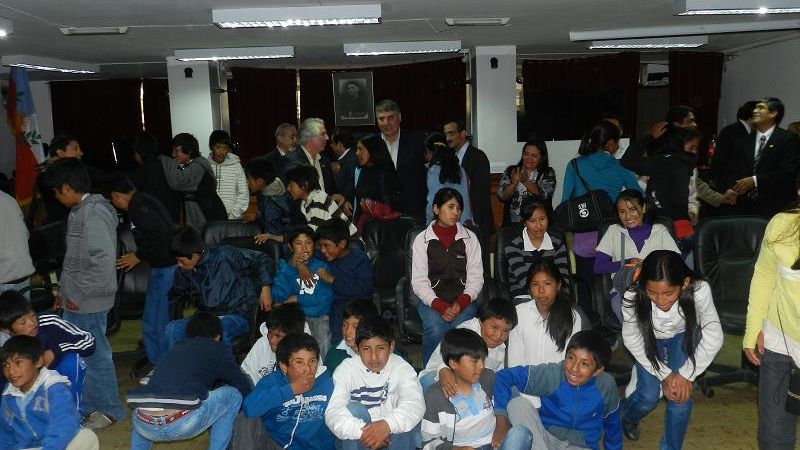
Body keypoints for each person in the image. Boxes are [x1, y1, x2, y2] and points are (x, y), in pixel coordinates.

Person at [39, 157, 125, 428]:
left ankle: (109, 409)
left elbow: (102, 261)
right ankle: (88, 406)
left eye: (55, 192)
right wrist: (64, 292)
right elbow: (74, 260)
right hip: (76, 298)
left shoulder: (94, 213)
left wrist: (79, 295)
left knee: (95, 354)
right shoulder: (80, 211)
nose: (56, 197)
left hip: (88, 301)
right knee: (79, 353)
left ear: (66, 188)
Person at [621, 250, 723, 449]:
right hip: (647, 339)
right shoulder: (633, 297)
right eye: (652, 292)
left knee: (680, 396)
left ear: (684, 283)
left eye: (668, 293)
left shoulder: (699, 290)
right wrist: (665, 375)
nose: (660, 300)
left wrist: (686, 375)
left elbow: (714, 336)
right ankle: (625, 415)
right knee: (648, 397)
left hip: (681, 335)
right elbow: (632, 339)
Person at [127, 312, 251, 450]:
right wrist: (251, 409)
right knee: (233, 394)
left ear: (187, 335)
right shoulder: (217, 349)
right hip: (181, 424)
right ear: (218, 337)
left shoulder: (174, 349)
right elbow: (241, 384)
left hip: (144, 426)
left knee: (145, 405)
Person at [561, 120, 641, 325]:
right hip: (614, 235)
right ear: (611, 144)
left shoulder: (575, 165)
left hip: (584, 238)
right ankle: (614, 328)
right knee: (615, 285)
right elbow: (637, 197)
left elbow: (565, 202)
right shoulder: (620, 168)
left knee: (586, 287)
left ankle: (590, 330)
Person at [492, 330, 622, 450]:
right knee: (517, 405)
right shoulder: (553, 374)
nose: (574, 369)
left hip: (580, 446)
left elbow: (613, 425)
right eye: (571, 358)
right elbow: (504, 376)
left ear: (598, 370)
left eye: (584, 364)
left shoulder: (606, 386)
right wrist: (501, 422)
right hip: (545, 439)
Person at [743, 197, 800, 450]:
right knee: (773, 437)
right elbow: (764, 275)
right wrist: (753, 328)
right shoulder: (782, 225)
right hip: (780, 340)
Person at [109, 174, 177, 367]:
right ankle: (158, 363)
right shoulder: (142, 201)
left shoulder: (138, 206)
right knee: (150, 321)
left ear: (117, 196)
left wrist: (137, 256)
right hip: (160, 268)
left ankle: (165, 366)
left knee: (159, 322)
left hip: (166, 269)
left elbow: (160, 233)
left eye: (113, 200)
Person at [325, 317, 424, 450]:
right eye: (366, 349)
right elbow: (333, 413)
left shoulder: (401, 367)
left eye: (380, 348)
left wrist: (386, 425)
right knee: (354, 409)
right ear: (358, 349)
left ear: (391, 346)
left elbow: (415, 403)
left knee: (406, 420)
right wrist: (366, 433)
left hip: (393, 436)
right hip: (360, 437)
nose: (374, 357)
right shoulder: (346, 369)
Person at [166, 227, 274, 348]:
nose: (179, 265)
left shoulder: (225, 255)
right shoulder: (184, 271)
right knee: (173, 329)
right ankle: (180, 366)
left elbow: (263, 259)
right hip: (205, 318)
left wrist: (266, 288)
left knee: (216, 330)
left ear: (195, 254)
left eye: (181, 260)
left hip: (237, 315)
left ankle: (223, 366)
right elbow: (174, 298)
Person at [412, 188, 484, 365]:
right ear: (436, 209)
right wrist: (441, 306)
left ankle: (460, 372)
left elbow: (476, 278)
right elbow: (419, 282)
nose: (456, 213)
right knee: (436, 328)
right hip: (432, 301)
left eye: (458, 208)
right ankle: (429, 374)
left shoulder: (469, 238)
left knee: (460, 330)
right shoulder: (422, 240)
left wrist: (460, 303)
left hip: (463, 301)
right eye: (450, 207)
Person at [506, 259, 584, 409]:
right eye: (535, 284)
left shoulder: (572, 317)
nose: (541, 291)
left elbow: (571, 360)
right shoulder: (519, 313)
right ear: (529, 288)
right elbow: (514, 359)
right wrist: (522, 389)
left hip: (558, 389)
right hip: (525, 388)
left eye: (547, 284)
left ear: (558, 285)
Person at [594, 189, 680, 326]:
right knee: (635, 330)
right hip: (624, 292)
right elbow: (598, 266)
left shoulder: (660, 231)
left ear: (644, 207)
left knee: (665, 327)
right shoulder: (614, 231)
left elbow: (676, 262)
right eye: (622, 211)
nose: (628, 216)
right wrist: (627, 262)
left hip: (659, 291)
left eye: (633, 209)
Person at [0, 335, 99, 450]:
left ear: (38, 361)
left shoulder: (54, 388)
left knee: (85, 437)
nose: (11, 371)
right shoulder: (8, 395)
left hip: (55, 445)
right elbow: (5, 434)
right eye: (6, 365)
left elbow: (65, 427)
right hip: (27, 448)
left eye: (18, 363)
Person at [0, 290, 95, 406]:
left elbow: (89, 341)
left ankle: (72, 411)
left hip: (57, 374)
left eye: (32, 315)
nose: (32, 323)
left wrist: (55, 351)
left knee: (71, 360)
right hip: (26, 386)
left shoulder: (49, 322)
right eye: (22, 322)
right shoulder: (6, 344)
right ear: (7, 330)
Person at [243, 332, 335, 450]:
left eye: (312, 361)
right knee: (244, 419)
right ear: (284, 366)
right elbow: (249, 408)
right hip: (275, 445)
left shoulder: (327, 383)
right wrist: (290, 390)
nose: (308, 369)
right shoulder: (272, 382)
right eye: (299, 362)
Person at [421, 328, 505, 450]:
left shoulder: (488, 378)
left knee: (521, 434)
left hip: (495, 444)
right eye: (474, 361)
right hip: (463, 447)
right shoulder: (435, 395)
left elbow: (505, 401)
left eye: (482, 359)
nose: (481, 366)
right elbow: (429, 440)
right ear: (453, 364)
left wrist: (502, 427)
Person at [418, 297, 517, 392]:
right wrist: (443, 370)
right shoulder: (465, 332)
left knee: (509, 389)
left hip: (473, 385)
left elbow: (496, 376)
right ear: (480, 321)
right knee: (431, 382)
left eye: (506, 331)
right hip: (441, 374)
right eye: (494, 327)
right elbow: (444, 361)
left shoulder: (500, 346)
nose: (499, 335)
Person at [727, 97, 800, 218]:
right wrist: (730, 188)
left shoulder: (788, 139)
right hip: (744, 207)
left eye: (761, 108)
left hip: (775, 206)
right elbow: (733, 169)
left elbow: (788, 173)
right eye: (755, 108)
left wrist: (755, 181)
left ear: (773, 113)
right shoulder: (742, 141)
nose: (755, 111)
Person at [272, 225, 334, 358]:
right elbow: (279, 296)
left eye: (309, 243)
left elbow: (323, 301)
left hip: (316, 317)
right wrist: (291, 269)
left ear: (314, 246)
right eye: (299, 243)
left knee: (323, 334)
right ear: (290, 246)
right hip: (293, 317)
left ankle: (325, 372)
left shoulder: (321, 267)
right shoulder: (285, 267)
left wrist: (297, 299)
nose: (304, 248)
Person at [315, 218, 373, 345]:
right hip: (324, 303)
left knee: (339, 330)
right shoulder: (319, 256)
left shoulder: (359, 259)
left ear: (342, 244)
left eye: (326, 245)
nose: (323, 250)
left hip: (351, 305)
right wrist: (302, 267)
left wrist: (333, 280)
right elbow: (299, 257)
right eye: (320, 245)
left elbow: (364, 289)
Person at [504, 196, 569, 298]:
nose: (538, 225)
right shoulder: (513, 243)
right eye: (532, 221)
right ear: (525, 222)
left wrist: (559, 298)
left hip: (554, 296)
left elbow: (563, 276)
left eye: (542, 219)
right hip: (524, 296)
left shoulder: (557, 241)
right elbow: (524, 281)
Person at [160, 133, 227, 231]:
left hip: (210, 218)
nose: (173, 155)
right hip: (205, 218)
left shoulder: (198, 166)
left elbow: (176, 182)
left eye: (176, 151)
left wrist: (164, 159)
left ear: (189, 151)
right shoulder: (191, 166)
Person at [375, 99, 428, 222]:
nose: (386, 122)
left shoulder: (418, 141)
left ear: (399, 117)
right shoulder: (370, 145)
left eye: (390, 117)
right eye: (381, 119)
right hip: (382, 217)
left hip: (415, 214)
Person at [445, 119, 496, 241]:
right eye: (446, 134)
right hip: (457, 223)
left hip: (476, 224)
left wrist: (474, 222)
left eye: (451, 133)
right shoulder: (450, 159)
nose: (448, 138)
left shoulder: (478, 157)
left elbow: (481, 193)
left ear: (463, 134)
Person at [241, 303, 307, 385]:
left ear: (293, 337)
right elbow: (247, 376)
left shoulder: (308, 353)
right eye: (270, 333)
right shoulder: (262, 343)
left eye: (278, 336)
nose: (272, 340)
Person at [285, 164, 358, 236]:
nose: (288, 189)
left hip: (349, 243)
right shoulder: (306, 202)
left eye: (291, 185)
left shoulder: (318, 200)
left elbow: (313, 234)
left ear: (305, 185)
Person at [125, 131, 182, 222]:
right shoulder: (168, 165)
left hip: (154, 223)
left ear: (138, 151)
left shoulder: (138, 173)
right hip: (173, 220)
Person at [498, 139, 557, 225]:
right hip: (512, 226)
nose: (529, 158)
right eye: (526, 154)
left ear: (541, 158)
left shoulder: (547, 173)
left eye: (534, 155)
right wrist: (514, 184)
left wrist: (525, 181)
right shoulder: (512, 170)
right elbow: (501, 196)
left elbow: (544, 195)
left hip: (538, 225)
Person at [351, 133, 401, 228]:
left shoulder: (386, 174)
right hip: (363, 228)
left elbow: (394, 205)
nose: (357, 153)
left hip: (382, 230)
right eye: (357, 149)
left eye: (361, 149)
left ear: (373, 150)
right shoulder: (362, 171)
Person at [245, 158, 297, 245]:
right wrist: (257, 217)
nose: (247, 183)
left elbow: (272, 236)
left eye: (249, 179)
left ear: (260, 181)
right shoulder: (278, 190)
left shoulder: (271, 202)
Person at [425, 132, 473, 225]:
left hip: (446, 226)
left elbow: (433, 202)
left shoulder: (435, 170)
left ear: (429, 152)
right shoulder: (460, 169)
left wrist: (428, 225)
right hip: (466, 224)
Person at [324, 299, 380, 373]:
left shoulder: (385, 352)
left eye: (355, 327)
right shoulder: (334, 354)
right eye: (344, 325)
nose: (347, 331)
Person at [285, 118, 336, 194]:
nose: (327, 137)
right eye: (323, 134)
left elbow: (329, 191)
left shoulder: (325, 161)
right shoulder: (290, 161)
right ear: (310, 137)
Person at [207, 130, 249, 220]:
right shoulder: (206, 166)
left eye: (225, 148)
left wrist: (232, 216)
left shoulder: (236, 165)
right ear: (211, 147)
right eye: (218, 147)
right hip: (210, 218)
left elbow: (243, 193)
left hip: (232, 219)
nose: (222, 152)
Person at [0, 189, 34, 296]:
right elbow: (26, 234)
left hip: (4, 276)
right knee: (24, 312)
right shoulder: (9, 199)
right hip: (23, 270)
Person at [331, 129, 357, 204]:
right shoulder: (349, 158)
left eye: (332, 143)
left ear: (340, 144)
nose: (330, 145)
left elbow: (351, 186)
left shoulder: (351, 161)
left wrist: (345, 200)